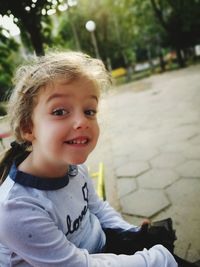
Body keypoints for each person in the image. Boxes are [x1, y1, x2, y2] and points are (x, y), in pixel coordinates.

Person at [0, 51, 177, 267]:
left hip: (101, 248)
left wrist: (131, 233)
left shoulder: (75, 169)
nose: (82, 121)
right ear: (28, 127)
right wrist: (157, 260)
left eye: (89, 111)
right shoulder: (17, 209)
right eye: (60, 111)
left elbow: (97, 208)